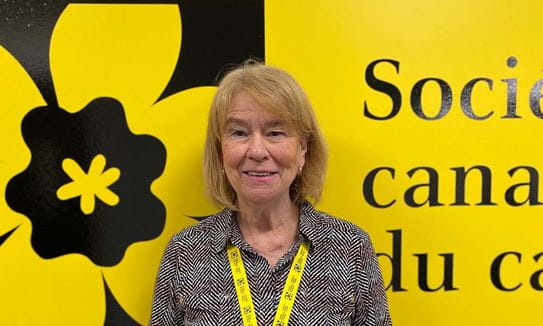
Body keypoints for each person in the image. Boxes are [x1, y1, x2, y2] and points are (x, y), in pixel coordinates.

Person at [150, 61, 392, 325]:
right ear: (221, 152)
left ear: (302, 150)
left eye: (275, 133)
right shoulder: (185, 252)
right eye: (239, 133)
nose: (256, 151)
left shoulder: (350, 248)